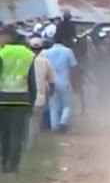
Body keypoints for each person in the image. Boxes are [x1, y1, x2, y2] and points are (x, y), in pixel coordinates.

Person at [0, 25, 37, 175]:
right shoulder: (28, 55)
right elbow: (32, 81)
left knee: (4, 133)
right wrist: (31, 102)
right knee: (17, 135)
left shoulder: (2, 53)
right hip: (22, 99)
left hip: (2, 99)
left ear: (8, 37)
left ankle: (3, 163)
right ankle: (13, 167)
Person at [44, 30, 78, 132]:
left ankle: (54, 128)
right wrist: (75, 82)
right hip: (65, 82)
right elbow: (74, 67)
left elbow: (44, 68)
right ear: (63, 40)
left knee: (53, 106)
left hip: (51, 83)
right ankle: (63, 122)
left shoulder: (46, 52)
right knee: (67, 105)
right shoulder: (68, 51)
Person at [26, 36, 55, 150]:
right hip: (40, 98)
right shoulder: (46, 61)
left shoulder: (25, 59)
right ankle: (30, 146)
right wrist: (51, 92)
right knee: (35, 123)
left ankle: (24, 145)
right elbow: (52, 81)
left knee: (25, 123)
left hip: (24, 96)